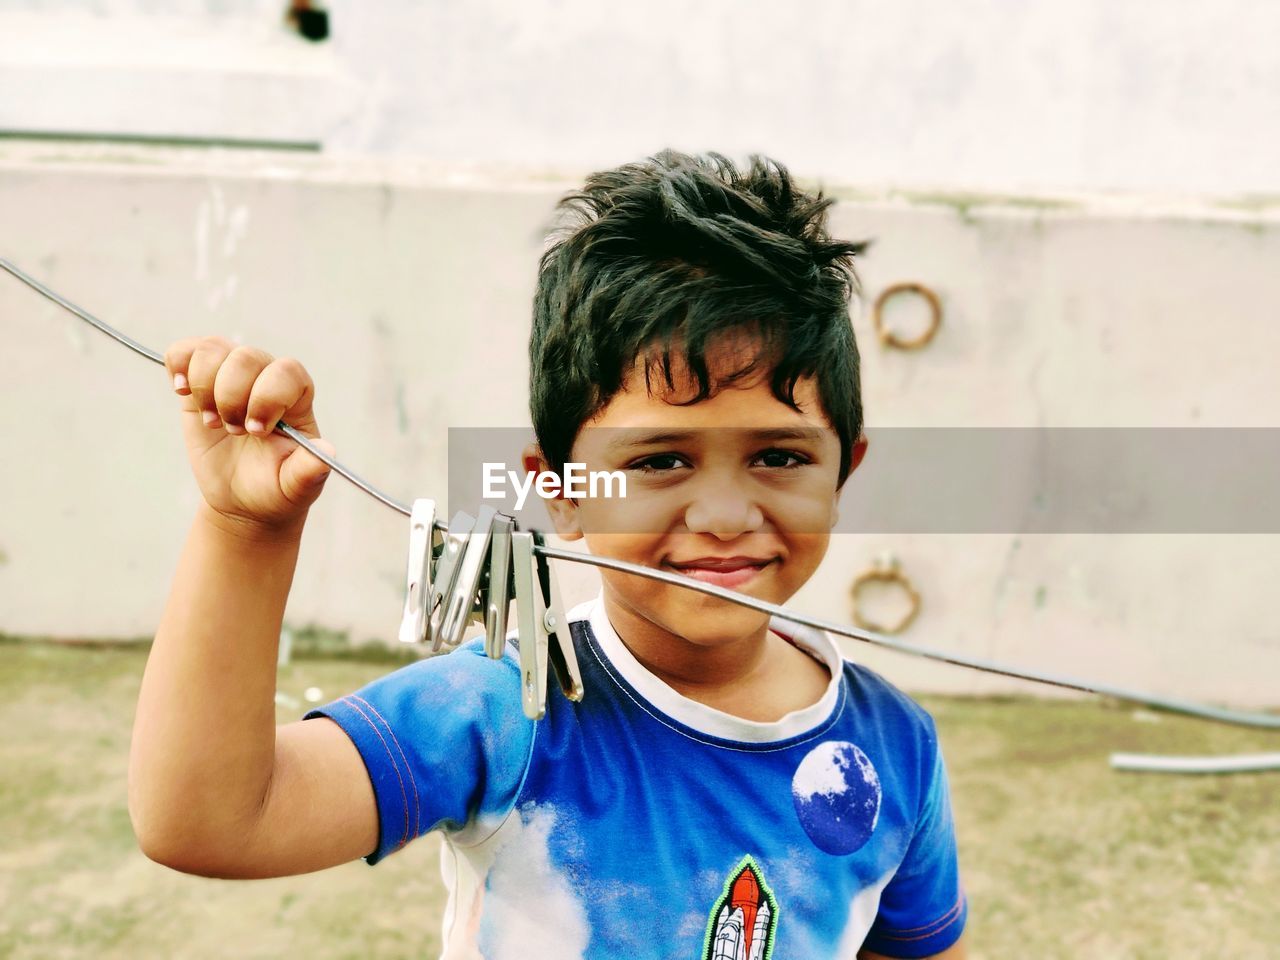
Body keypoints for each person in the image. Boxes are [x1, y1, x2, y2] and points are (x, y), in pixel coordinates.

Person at [129, 150, 968, 959]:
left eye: (779, 457)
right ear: (561, 490)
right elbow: (209, 820)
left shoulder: (895, 748)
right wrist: (245, 532)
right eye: (659, 460)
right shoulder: (505, 710)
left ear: (841, 474)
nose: (720, 514)